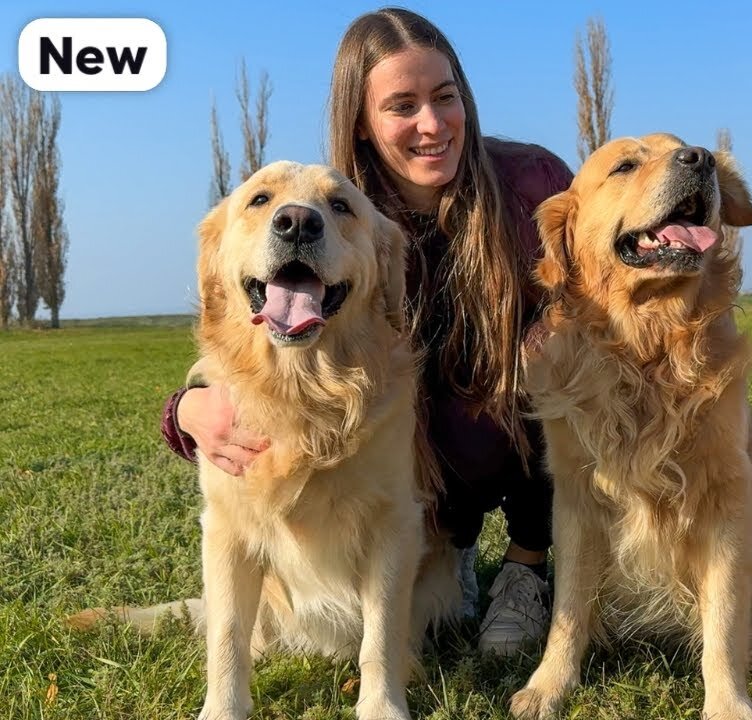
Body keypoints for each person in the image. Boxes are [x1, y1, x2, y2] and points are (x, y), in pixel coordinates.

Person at [159, 7, 573, 656]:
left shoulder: (531, 184)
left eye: (445, 97)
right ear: (363, 123)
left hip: (507, 434)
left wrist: (559, 327)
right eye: (402, 105)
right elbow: (240, 336)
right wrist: (184, 410)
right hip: (411, 474)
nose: (432, 124)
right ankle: (447, 550)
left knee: (559, 366)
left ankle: (524, 565)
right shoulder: (338, 214)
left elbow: (601, 293)